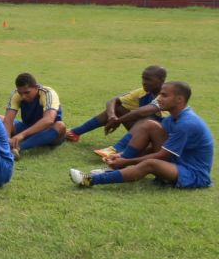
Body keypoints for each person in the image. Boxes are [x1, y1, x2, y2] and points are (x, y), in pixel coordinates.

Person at [70, 81, 213, 189]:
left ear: (179, 99)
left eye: (164, 95)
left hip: (193, 173)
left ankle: (89, 180)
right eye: (159, 94)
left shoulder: (186, 123)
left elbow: (162, 155)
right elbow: (152, 147)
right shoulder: (172, 119)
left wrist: (127, 162)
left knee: (151, 164)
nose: (158, 98)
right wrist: (122, 155)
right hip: (177, 162)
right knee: (148, 124)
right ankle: (114, 168)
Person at [65, 65, 166, 147]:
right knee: (118, 108)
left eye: (148, 79)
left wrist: (118, 121)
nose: (144, 82)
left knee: (146, 122)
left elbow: (141, 112)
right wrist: (112, 117)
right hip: (145, 133)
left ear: (161, 80)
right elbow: (112, 101)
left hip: (161, 140)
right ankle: (74, 133)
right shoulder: (143, 92)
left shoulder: (167, 96)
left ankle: (116, 150)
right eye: (143, 78)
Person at [2, 72, 66, 155]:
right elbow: (8, 120)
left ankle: (19, 147)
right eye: (21, 93)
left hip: (49, 131)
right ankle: (6, 144)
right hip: (28, 128)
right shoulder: (16, 94)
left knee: (60, 125)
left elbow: (49, 120)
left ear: (36, 87)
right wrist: (6, 139)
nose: (23, 96)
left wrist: (22, 135)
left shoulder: (48, 93)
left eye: (27, 92)